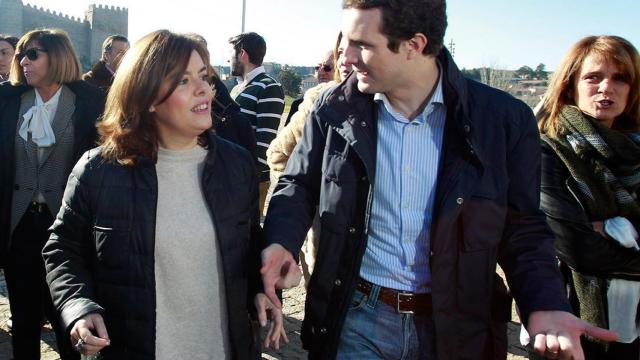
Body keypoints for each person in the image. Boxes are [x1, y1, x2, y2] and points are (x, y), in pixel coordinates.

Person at [260, 1, 619, 359]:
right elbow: (299, 185)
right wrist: (280, 241)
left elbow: (523, 228)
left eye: (362, 45)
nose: (346, 57)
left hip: (456, 329)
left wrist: (544, 304)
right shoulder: (334, 108)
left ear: (414, 46)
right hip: (356, 322)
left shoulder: (503, 121)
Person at [42, 30, 285, 360]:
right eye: (183, 81)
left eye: (204, 76)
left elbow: (247, 244)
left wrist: (259, 290)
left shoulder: (236, 164)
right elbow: (62, 249)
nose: (204, 89)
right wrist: (78, 307)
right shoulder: (98, 170)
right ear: (148, 97)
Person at [0, 28, 105, 360]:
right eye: (21, 55)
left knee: (67, 321)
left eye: (33, 54)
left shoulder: (90, 102)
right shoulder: (10, 99)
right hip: (19, 226)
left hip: (67, 229)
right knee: (25, 320)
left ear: (56, 57)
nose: (23, 61)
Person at [537, 35, 640, 359]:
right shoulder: (545, 150)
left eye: (620, 78)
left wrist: (606, 227)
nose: (606, 88)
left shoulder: (636, 152)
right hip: (566, 318)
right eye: (593, 77)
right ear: (570, 85)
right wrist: (626, 230)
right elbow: (578, 248)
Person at [266, 32, 351, 285]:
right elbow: (278, 154)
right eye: (338, 55)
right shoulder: (319, 101)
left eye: (327, 66)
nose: (344, 62)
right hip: (325, 245)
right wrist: (309, 202)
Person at [228, 32, 285, 214]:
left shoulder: (269, 87)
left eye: (231, 55)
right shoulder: (237, 88)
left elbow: (265, 141)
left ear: (242, 54)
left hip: (250, 180)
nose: (228, 61)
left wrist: (251, 177)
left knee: (247, 237)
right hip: (231, 176)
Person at [283, 49, 336, 128]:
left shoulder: (352, 103)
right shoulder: (300, 103)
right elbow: (287, 138)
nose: (321, 72)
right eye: (317, 67)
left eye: (327, 68)